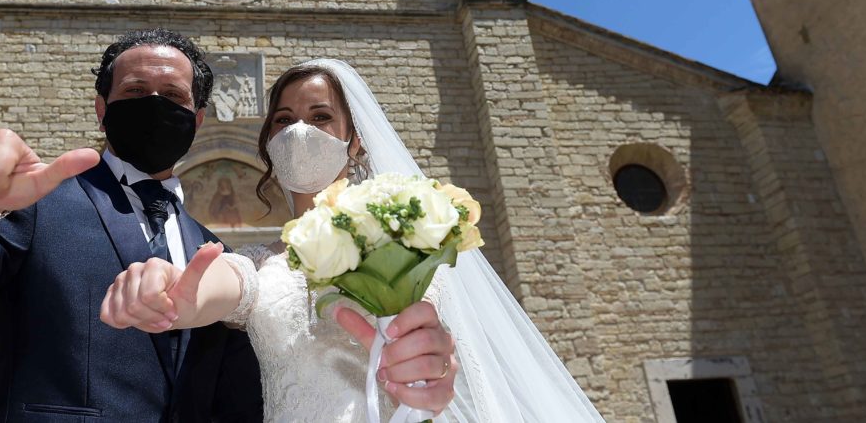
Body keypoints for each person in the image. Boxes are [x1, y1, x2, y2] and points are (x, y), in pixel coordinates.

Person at [103, 59, 607, 422]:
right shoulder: (258, 264)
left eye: (320, 116)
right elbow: (217, 285)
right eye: (284, 120)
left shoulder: (408, 242)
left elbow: (443, 353)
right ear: (269, 144)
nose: (299, 131)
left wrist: (431, 373)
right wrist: (171, 291)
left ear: (356, 139)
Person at [0, 29, 265, 422]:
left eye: (173, 95)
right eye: (135, 91)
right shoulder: (33, 205)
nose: (154, 103)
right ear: (102, 110)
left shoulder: (216, 255)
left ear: (197, 119)